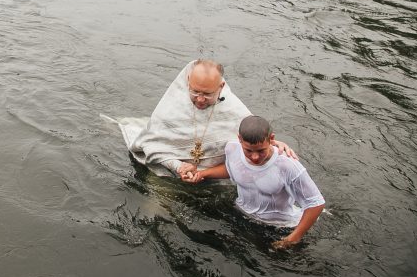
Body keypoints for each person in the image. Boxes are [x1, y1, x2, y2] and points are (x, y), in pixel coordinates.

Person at [117, 59, 296, 178]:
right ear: (188, 81)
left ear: (221, 87)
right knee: (157, 210)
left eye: (207, 94)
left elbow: (252, 141)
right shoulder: (171, 108)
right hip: (170, 174)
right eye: (195, 91)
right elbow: (152, 147)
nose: (200, 99)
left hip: (217, 178)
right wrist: (177, 166)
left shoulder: (234, 109)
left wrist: (272, 144)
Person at [182, 115, 325, 249]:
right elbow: (232, 168)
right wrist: (202, 174)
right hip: (242, 215)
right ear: (239, 139)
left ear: (271, 139)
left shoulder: (287, 165)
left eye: (261, 151)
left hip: (280, 226)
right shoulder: (232, 149)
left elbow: (315, 203)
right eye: (248, 151)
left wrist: (293, 239)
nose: (255, 157)